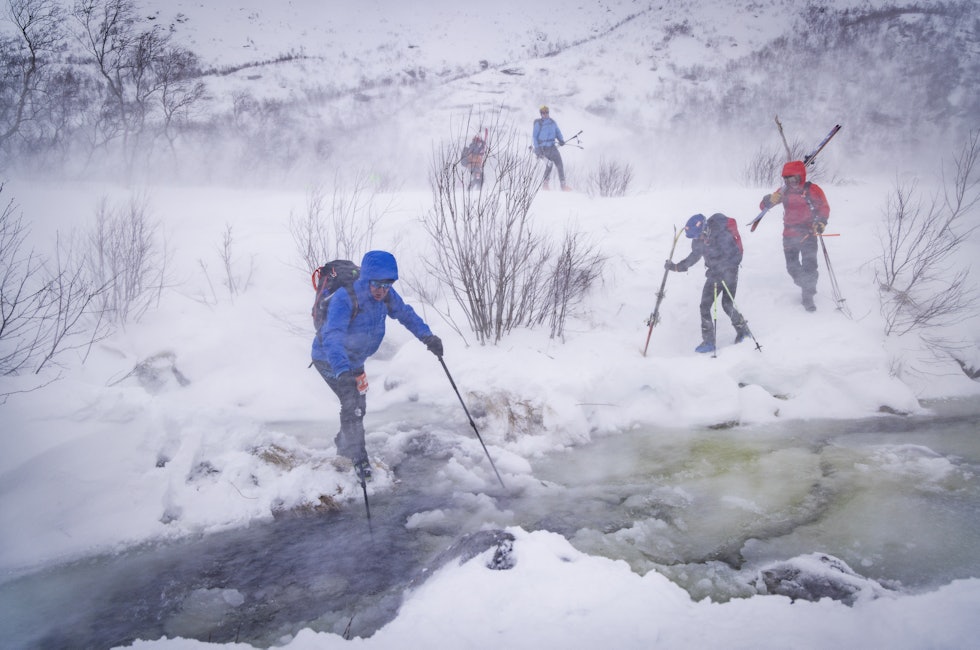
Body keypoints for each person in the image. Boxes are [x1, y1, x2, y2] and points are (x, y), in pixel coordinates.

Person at [311, 250, 443, 482]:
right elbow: (332, 337)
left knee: (360, 404)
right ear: (367, 279)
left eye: (387, 285)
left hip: (355, 359)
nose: (382, 290)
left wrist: (427, 337)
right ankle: (356, 457)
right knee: (352, 404)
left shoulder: (387, 296)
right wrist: (342, 372)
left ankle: (344, 444)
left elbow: (405, 314)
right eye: (377, 284)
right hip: (329, 358)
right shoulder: (345, 298)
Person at [665, 213, 750, 354]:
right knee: (704, 306)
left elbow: (733, 255)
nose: (697, 239)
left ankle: (743, 332)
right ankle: (709, 341)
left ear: (704, 229)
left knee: (727, 304)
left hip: (729, 272)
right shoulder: (698, 241)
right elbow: (693, 257)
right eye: (694, 237)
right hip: (714, 274)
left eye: (698, 236)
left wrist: (722, 269)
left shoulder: (721, 234)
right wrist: (675, 267)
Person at [759, 160, 830, 312]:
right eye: (787, 180)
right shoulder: (784, 191)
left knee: (810, 266)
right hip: (789, 234)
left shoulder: (813, 190)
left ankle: (808, 296)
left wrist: (821, 221)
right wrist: (768, 200)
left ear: (801, 177)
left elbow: (824, 207)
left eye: (793, 180)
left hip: (809, 233)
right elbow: (764, 206)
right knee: (792, 268)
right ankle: (807, 285)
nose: (791, 183)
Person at [532, 105, 569, 191]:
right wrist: (537, 149)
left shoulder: (553, 122)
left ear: (548, 113)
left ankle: (563, 186)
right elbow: (534, 137)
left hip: (552, 147)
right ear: (541, 114)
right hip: (543, 149)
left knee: (560, 165)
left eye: (546, 112)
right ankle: (545, 186)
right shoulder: (538, 124)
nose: (545, 114)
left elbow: (557, 132)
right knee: (549, 166)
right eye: (543, 113)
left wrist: (561, 140)